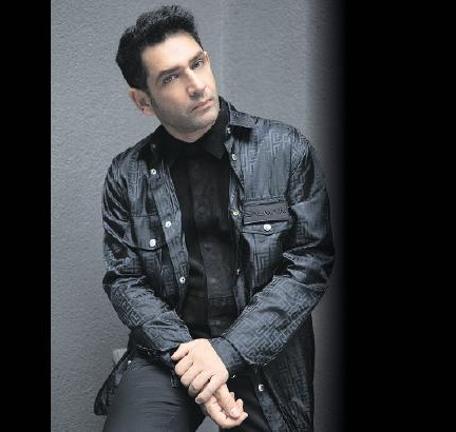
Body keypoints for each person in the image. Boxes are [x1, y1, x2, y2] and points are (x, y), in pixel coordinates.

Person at [94, 5, 334, 431]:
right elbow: (124, 279)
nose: (197, 85)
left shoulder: (285, 150)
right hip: (170, 353)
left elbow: (309, 263)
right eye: (171, 77)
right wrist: (192, 359)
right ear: (143, 101)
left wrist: (226, 353)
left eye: (198, 63)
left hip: (263, 352)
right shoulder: (126, 175)